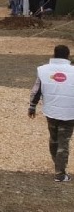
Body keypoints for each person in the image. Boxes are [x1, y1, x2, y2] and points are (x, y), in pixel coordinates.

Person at [29, 45, 74, 182]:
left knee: (54, 139)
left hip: (51, 111)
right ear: (68, 56)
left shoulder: (43, 70)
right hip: (69, 113)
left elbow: (36, 90)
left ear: (54, 55)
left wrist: (32, 106)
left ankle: (57, 164)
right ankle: (60, 174)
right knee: (64, 142)